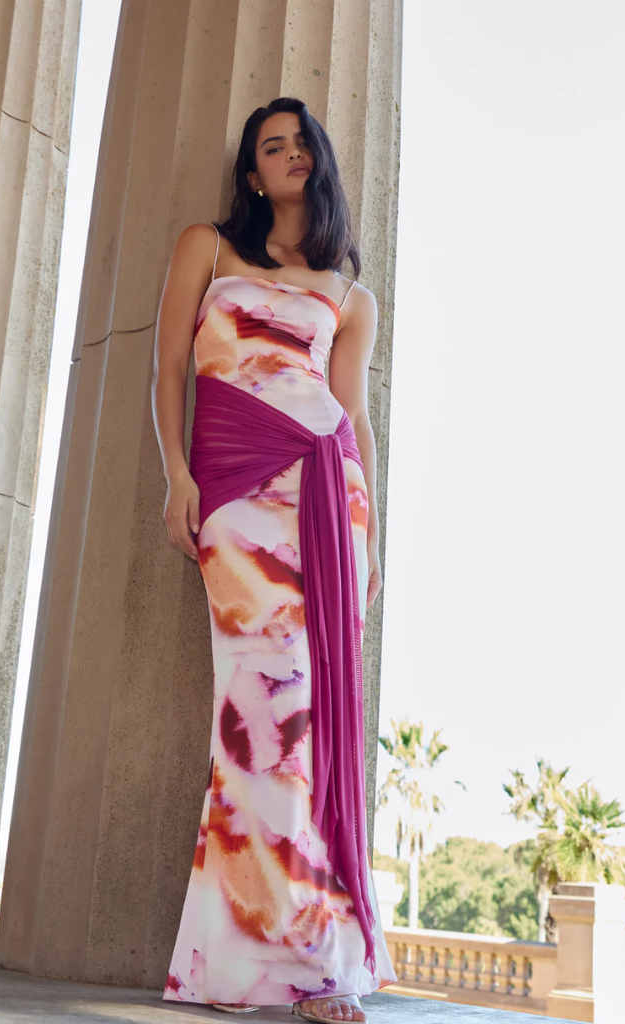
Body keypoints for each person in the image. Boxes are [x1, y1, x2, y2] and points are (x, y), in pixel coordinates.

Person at [152, 96, 397, 1023]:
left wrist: (376, 534)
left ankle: (306, 960)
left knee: (309, 720)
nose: (290, 155)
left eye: (303, 143)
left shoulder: (349, 294)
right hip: (235, 492)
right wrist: (175, 477)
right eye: (272, 145)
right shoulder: (205, 247)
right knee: (260, 705)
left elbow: (354, 413)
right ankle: (260, 957)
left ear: (319, 163)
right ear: (252, 172)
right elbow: (169, 364)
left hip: (329, 499)